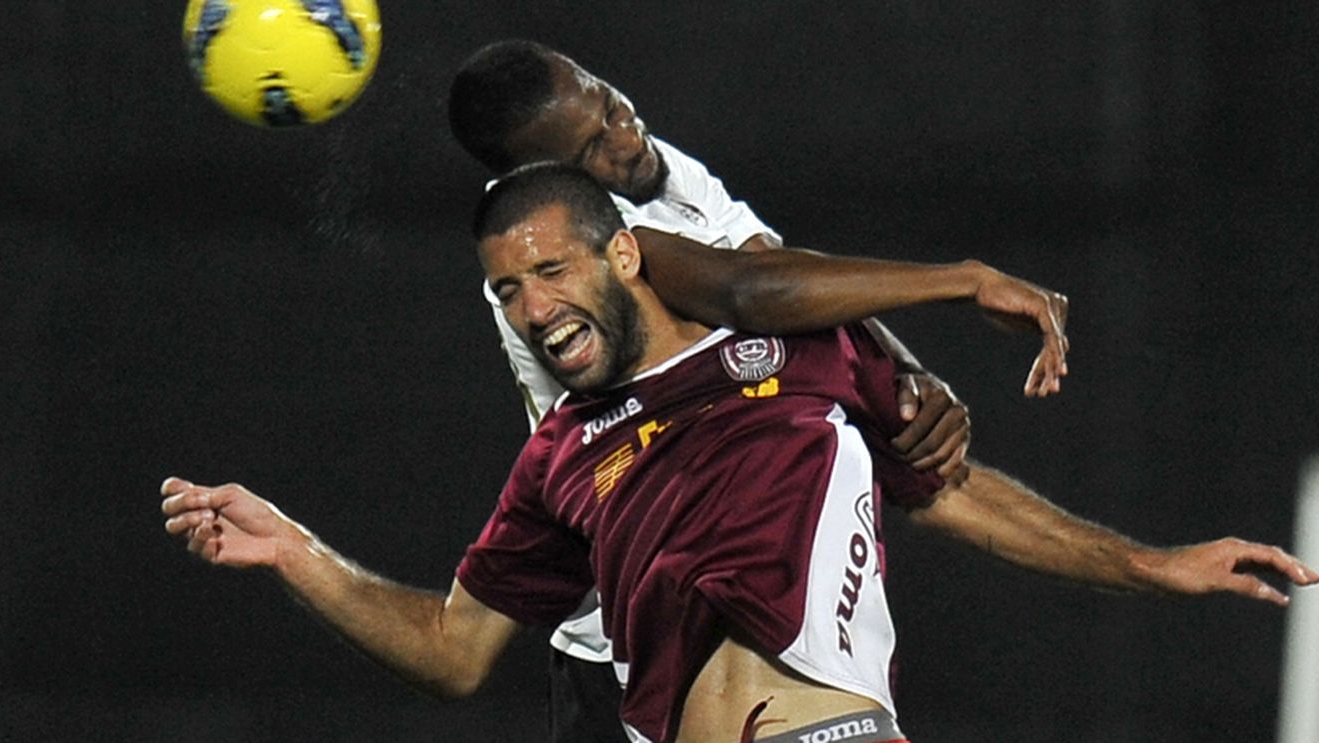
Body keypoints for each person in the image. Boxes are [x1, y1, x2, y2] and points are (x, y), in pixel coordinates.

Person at [161, 163, 1318, 743]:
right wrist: (295, 552)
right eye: (506, 289)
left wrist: (1151, 564)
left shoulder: (792, 348)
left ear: (625, 256)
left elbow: (951, 492)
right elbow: (458, 651)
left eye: (552, 270)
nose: (531, 306)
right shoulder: (560, 457)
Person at [447, 40, 1070, 740]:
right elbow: (750, 292)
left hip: (735, 588)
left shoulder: (652, 167)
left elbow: (778, 274)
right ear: (551, 180)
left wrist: (901, 370)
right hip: (624, 637)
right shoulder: (584, 249)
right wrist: (965, 280)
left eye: (612, 105)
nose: (627, 137)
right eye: (595, 147)